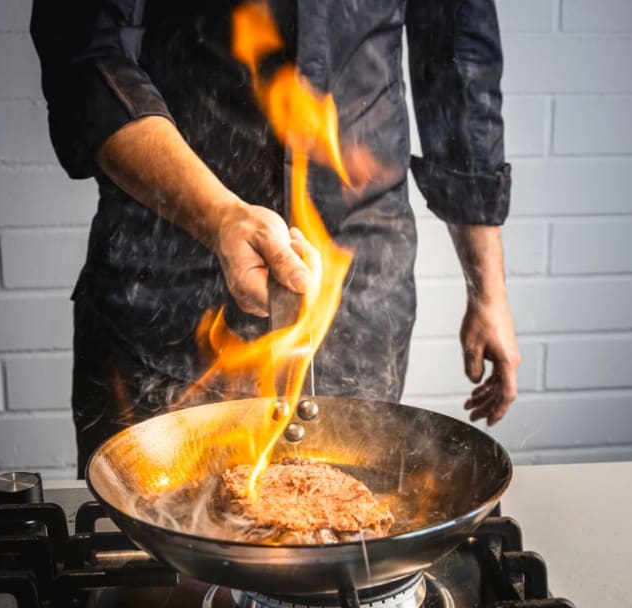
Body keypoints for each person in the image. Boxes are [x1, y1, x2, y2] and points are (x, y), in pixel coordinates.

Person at [31, 0, 521, 476]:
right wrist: (219, 216)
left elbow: (460, 68)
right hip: (166, 285)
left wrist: (489, 293)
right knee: (149, 535)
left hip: (358, 295)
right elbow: (83, 51)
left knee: (343, 532)